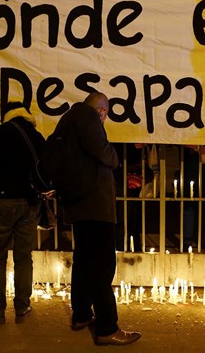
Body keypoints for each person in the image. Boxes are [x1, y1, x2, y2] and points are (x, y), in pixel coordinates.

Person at [53, 91, 141, 346]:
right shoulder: (87, 119)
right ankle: (106, 327)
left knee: (83, 261)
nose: (104, 120)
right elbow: (106, 154)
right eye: (106, 115)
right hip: (95, 207)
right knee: (102, 267)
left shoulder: (68, 120)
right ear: (102, 111)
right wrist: (114, 157)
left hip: (80, 205)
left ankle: (81, 315)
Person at [0, 103, 45, 325]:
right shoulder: (36, 137)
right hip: (29, 202)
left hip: (0, 201)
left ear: (6, 116)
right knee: (23, 257)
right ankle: (22, 309)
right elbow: (46, 169)